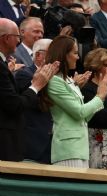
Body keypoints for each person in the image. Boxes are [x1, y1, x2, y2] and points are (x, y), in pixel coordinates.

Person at [44, 35, 107, 168]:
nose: (78, 57)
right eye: (75, 53)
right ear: (64, 54)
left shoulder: (69, 80)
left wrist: (100, 98)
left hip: (81, 149)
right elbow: (79, 113)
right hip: (67, 149)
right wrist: (100, 96)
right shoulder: (54, 81)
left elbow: (85, 117)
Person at [0, 18, 57, 162]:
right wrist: (36, 85)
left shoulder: (3, 65)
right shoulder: (5, 68)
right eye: (17, 37)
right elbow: (14, 105)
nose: (18, 42)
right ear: (6, 38)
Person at [15, 38, 53, 164]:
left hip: (52, 145)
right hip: (33, 143)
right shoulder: (24, 74)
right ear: (38, 55)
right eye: (52, 53)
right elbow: (39, 103)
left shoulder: (58, 78)